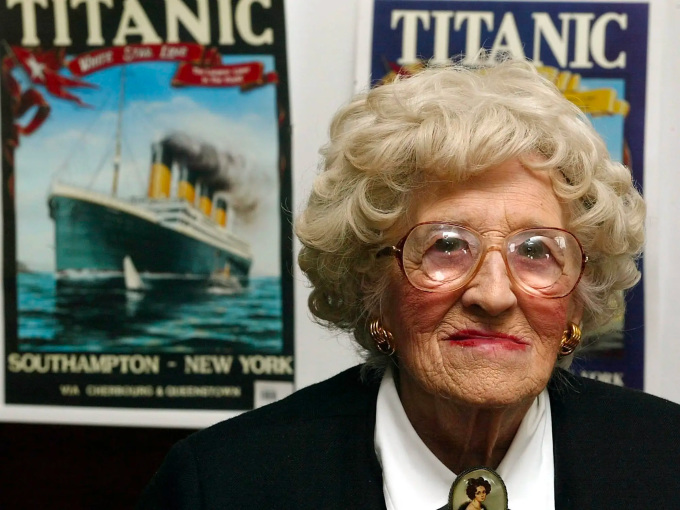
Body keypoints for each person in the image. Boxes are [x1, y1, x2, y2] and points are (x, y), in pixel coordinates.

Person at [138, 58, 680, 509]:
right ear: (371, 282)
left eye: (536, 251)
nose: (493, 294)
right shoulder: (224, 487)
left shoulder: (667, 463)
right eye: (446, 245)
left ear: (578, 298)